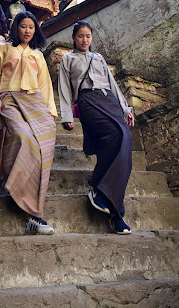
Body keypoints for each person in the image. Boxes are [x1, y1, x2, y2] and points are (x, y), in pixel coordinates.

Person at [57, 20, 135, 235]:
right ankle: (102, 192)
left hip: (108, 99)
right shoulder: (67, 59)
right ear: (73, 37)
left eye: (88, 36)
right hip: (88, 101)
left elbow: (113, 85)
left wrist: (126, 108)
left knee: (124, 140)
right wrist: (66, 116)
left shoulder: (98, 57)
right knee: (116, 135)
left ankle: (112, 210)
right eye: (81, 36)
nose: (85, 40)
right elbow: (64, 87)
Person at [0, 11, 57, 235]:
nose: (27, 31)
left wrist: (50, 114)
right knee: (24, 138)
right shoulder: (3, 49)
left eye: (31, 27)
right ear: (16, 27)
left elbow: (45, 85)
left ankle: (35, 216)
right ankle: (18, 189)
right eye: (23, 26)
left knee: (43, 149)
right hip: (9, 99)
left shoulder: (38, 55)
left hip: (35, 102)